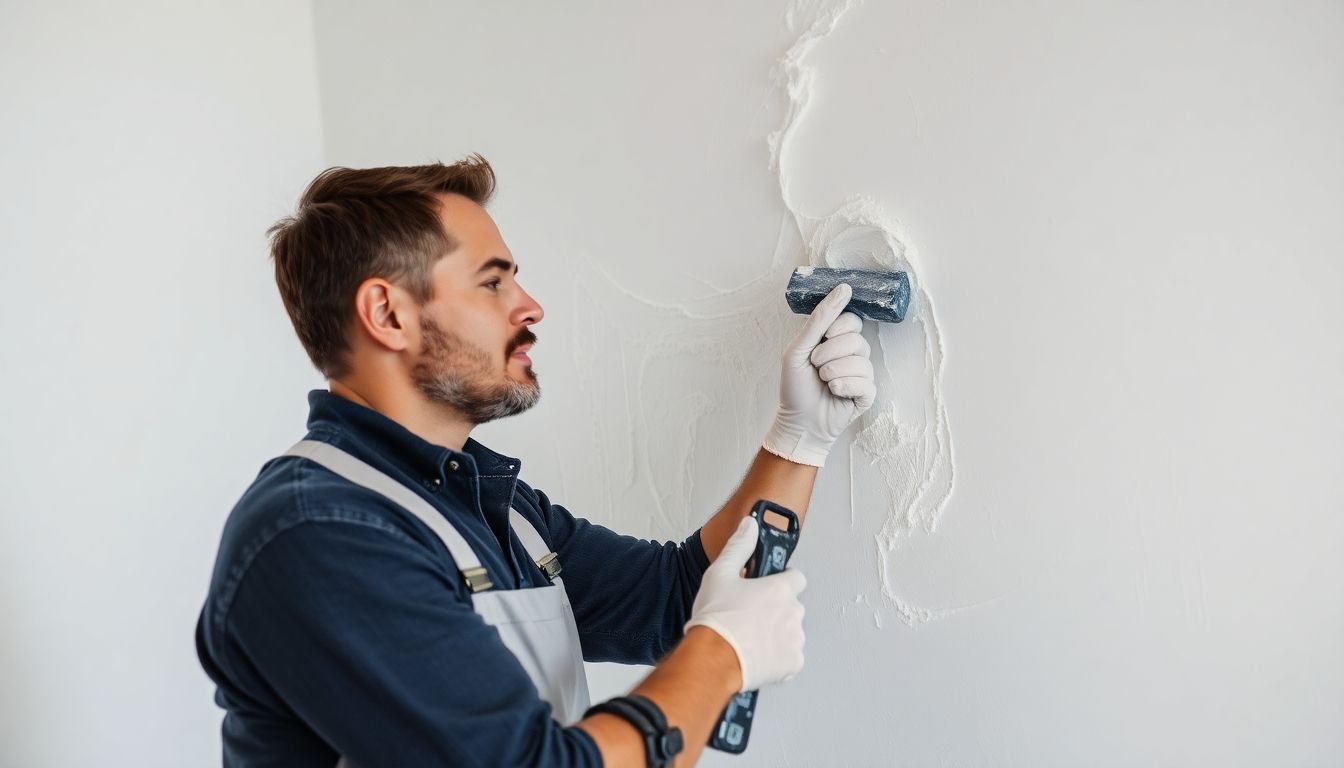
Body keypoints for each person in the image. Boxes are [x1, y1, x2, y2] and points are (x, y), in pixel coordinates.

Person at [195, 156, 876, 767]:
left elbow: (676, 597)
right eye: (493, 284)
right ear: (388, 314)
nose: (531, 307)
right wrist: (723, 652)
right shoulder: (320, 534)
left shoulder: (496, 510)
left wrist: (798, 440)